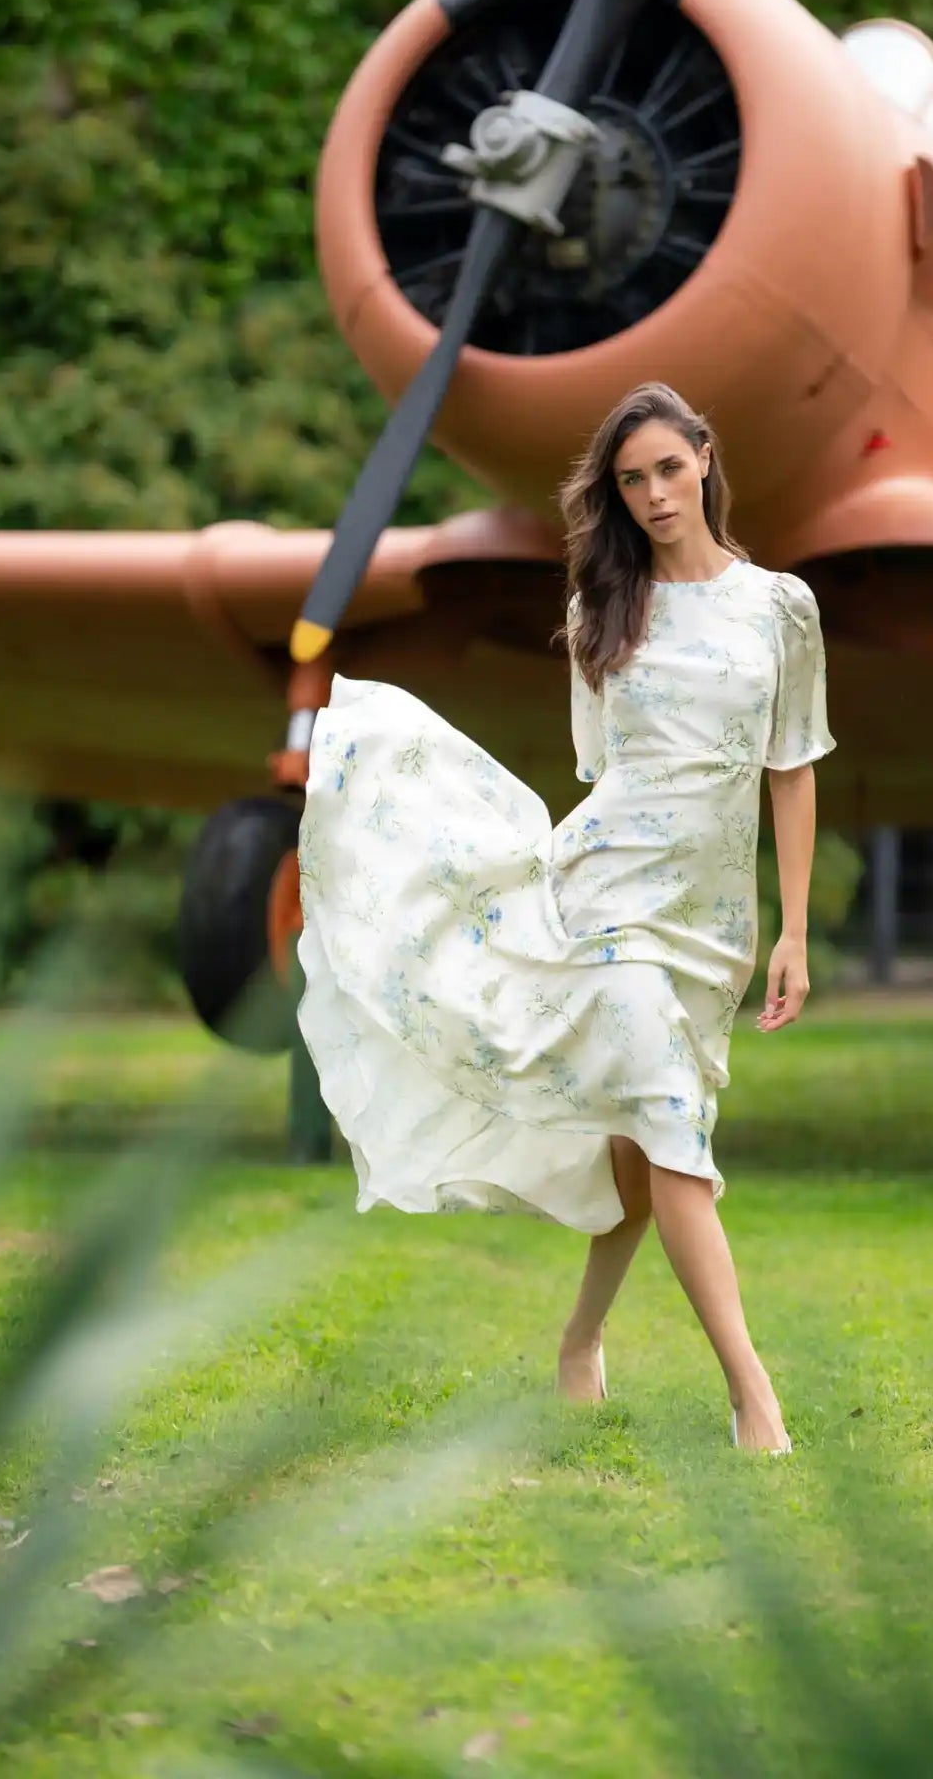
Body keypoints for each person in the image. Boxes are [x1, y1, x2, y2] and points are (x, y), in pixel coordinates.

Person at [296, 382, 835, 1454]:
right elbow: (603, 771)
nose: (651, 495)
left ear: (704, 457)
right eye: (630, 480)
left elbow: (792, 766)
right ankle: (752, 1398)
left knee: (642, 1158)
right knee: (672, 1131)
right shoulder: (603, 610)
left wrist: (793, 929)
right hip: (607, 905)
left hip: (711, 927)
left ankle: (579, 1341)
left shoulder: (781, 607)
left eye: (666, 470)